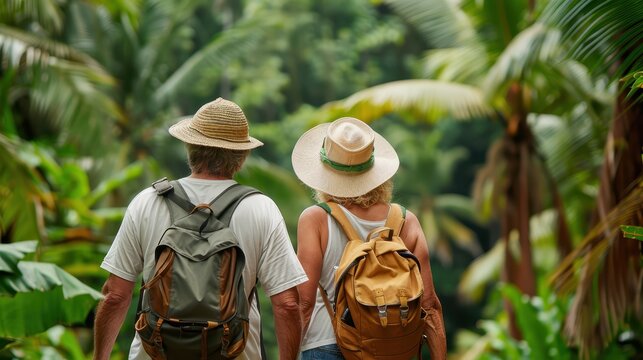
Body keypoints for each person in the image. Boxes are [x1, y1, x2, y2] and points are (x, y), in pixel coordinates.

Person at [94, 97, 308, 360]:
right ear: (241, 156)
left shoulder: (147, 202)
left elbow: (115, 294)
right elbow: (287, 304)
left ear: (190, 147)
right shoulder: (261, 208)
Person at [292, 117, 447, 359]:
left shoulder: (315, 220)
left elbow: (303, 304)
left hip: (326, 345)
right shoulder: (406, 220)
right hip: (392, 349)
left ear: (325, 174)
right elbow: (430, 306)